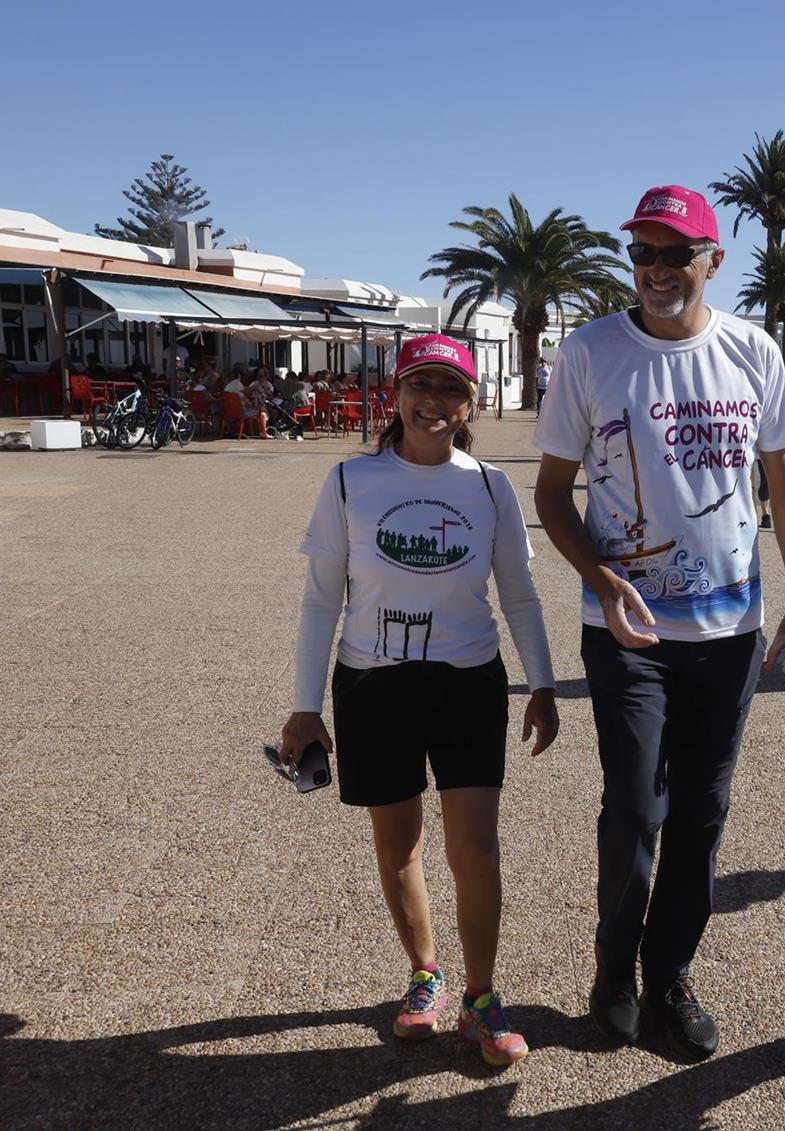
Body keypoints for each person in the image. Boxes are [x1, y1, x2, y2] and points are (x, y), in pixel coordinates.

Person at [533, 184, 785, 1061]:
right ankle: (613, 972)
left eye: (675, 254)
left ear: (712, 261)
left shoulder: (752, 352)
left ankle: (670, 978)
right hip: (628, 630)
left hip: (729, 633)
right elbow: (550, 493)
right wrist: (600, 580)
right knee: (632, 808)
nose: (657, 271)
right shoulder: (589, 355)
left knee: (702, 811)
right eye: (643, 254)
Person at [278, 333, 558, 1068]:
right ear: (395, 394)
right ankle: (425, 974)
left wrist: (545, 684)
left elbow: (521, 596)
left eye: (450, 390)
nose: (433, 403)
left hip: (468, 680)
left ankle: (483, 997)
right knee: (396, 841)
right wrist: (305, 705)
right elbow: (319, 600)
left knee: (475, 845)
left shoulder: (491, 485)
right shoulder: (349, 480)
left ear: (472, 403)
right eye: (419, 387)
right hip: (372, 681)